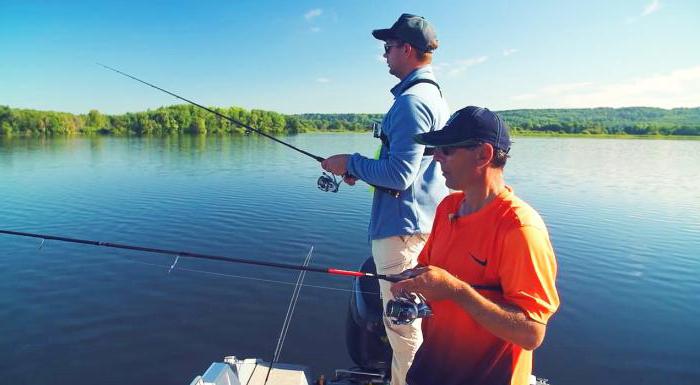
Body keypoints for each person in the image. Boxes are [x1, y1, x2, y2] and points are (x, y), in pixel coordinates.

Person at [321, 13, 449, 385]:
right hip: (416, 223)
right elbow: (407, 172)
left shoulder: (411, 102)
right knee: (408, 325)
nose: (385, 55)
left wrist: (351, 162)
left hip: (400, 232)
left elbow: (399, 175)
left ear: (406, 49)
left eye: (388, 47)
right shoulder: (432, 95)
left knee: (402, 328)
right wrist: (360, 172)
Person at [390, 106, 560, 385]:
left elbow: (531, 333)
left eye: (447, 150)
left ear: (483, 154)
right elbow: (431, 270)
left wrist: (456, 291)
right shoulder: (448, 207)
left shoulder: (520, 228)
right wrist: (416, 280)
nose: (436, 157)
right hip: (431, 372)